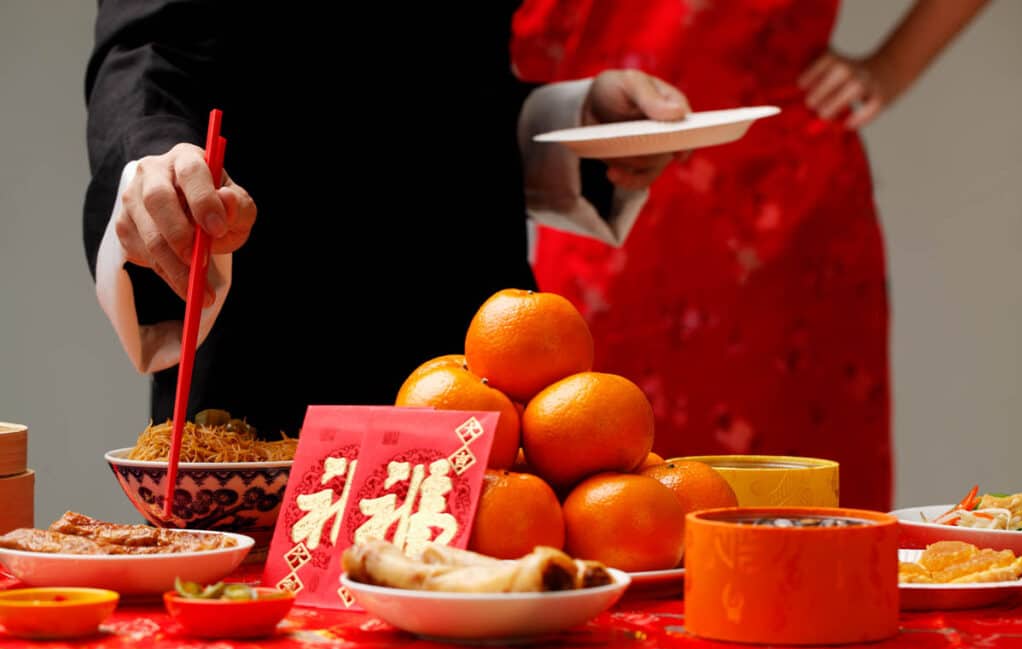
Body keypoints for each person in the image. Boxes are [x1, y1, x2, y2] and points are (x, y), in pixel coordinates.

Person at [83, 2, 691, 439]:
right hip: (274, 339)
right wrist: (154, 158)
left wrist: (571, 121)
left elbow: (433, 78)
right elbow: (153, 47)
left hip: (475, 343)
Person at [511, 0, 989, 511]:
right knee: (600, 506)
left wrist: (890, 68)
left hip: (775, 217)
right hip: (594, 196)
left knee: (798, 531)